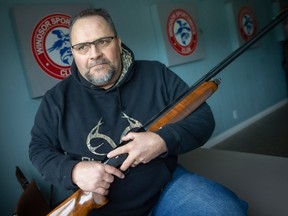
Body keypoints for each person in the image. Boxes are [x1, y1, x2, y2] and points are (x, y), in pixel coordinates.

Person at [29, 8, 248, 216]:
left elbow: (203, 119)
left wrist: (161, 141)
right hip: (100, 208)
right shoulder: (56, 99)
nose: (94, 54)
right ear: (73, 52)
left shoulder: (156, 73)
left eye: (103, 42)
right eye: (83, 47)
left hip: (165, 190)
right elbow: (38, 149)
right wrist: (74, 171)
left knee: (223, 209)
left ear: (118, 41)